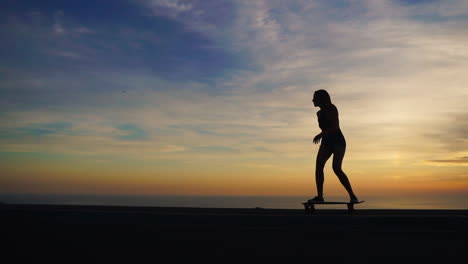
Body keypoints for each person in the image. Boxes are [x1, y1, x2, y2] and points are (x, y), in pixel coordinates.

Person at [309, 89, 358, 203]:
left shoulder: (332, 108)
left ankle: (353, 196)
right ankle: (320, 196)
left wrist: (321, 134)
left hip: (338, 141)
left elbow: (335, 127)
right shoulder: (319, 113)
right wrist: (323, 135)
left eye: (314, 98)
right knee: (318, 167)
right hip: (326, 142)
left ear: (321, 99)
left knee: (336, 168)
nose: (312, 100)